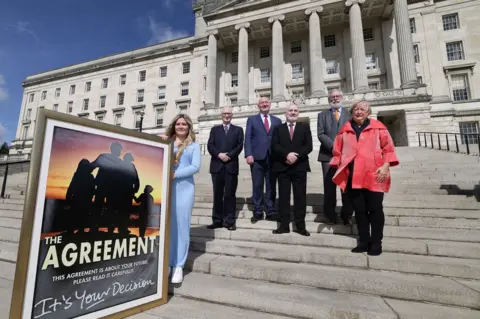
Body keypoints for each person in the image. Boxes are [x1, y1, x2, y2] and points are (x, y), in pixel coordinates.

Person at [330, 100, 399, 256]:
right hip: (353, 176)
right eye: (356, 109)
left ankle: (376, 242)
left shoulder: (379, 127)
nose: (359, 111)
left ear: (368, 113)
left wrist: (386, 166)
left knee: (375, 210)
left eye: (362, 109)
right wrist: (338, 169)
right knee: (360, 212)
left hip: (374, 175)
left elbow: (388, 148)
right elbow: (337, 152)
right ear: (352, 112)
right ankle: (363, 241)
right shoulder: (344, 130)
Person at [162, 114, 201, 283]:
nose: (181, 126)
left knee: (182, 227)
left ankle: (179, 265)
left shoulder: (194, 146)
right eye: (178, 123)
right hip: (166, 189)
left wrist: (176, 174)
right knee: (168, 227)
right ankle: (168, 263)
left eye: (184, 124)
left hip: (185, 189)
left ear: (189, 127)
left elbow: (195, 166)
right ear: (174, 126)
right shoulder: (167, 142)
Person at [271, 103, 313, 236]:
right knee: (283, 198)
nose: (293, 112)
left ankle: (300, 226)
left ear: (298, 113)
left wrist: (296, 156)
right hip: (282, 166)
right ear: (285, 113)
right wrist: (286, 155)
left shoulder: (304, 127)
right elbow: (274, 145)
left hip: (299, 166)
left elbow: (309, 146)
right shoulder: (278, 128)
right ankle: (284, 226)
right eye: (290, 110)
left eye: (295, 110)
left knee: (300, 198)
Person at [317, 89, 354, 225]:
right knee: (329, 186)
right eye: (332, 97)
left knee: (346, 186)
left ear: (342, 97)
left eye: (338, 96)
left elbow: (353, 132)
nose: (335, 98)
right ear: (329, 99)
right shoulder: (322, 115)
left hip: (347, 155)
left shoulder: (350, 113)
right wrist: (334, 147)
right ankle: (330, 214)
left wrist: (344, 149)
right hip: (328, 155)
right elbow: (320, 134)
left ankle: (347, 214)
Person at [244, 97, 282, 223]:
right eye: (262, 103)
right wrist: (248, 154)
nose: (264, 104)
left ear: (270, 104)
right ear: (258, 105)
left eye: (266, 102)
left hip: (273, 158)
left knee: (271, 186)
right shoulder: (252, 119)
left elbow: (280, 139)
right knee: (257, 185)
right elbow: (248, 138)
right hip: (257, 158)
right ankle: (258, 211)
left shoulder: (277, 121)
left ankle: (271, 211)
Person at [207, 107, 244, 231]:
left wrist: (229, 155)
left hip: (231, 166)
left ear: (232, 115)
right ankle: (217, 220)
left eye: (229, 113)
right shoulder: (214, 130)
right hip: (217, 166)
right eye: (224, 113)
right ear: (221, 115)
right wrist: (219, 154)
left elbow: (239, 146)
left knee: (230, 194)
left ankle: (230, 221)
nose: (226, 115)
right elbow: (210, 145)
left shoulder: (238, 130)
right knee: (217, 194)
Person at [65, 159, 95, 234]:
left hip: (83, 199)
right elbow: (72, 186)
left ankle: (78, 230)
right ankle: (72, 230)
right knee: (75, 214)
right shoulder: (78, 175)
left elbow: (92, 188)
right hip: (78, 198)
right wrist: (69, 196)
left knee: (81, 215)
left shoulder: (87, 176)